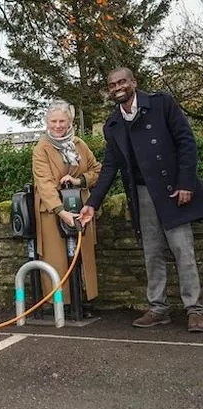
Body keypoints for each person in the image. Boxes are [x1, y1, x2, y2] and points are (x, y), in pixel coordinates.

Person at [79, 67, 203, 332]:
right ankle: (158, 309)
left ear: (133, 82)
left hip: (173, 191)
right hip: (142, 194)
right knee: (152, 253)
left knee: (183, 250)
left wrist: (185, 183)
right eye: (112, 85)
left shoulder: (161, 103)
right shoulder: (112, 124)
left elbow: (186, 142)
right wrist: (92, 204)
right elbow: (110, 166)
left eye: (122, 82)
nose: (117, 87)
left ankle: (195, 309)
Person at [32, 100, 102, 310]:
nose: (58, 125)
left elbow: (97, 170)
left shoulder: (80, 144)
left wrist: (79, 181)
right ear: (47, 122)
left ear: (70, 121)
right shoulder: (41, 148)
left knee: (82, 253)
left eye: (62, 121)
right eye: (53, 121)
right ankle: (58, 303)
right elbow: (43, 184)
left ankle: (83, 301)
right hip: (51, 209)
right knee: (57, 258)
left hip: (79, 205)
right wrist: (61, 211)